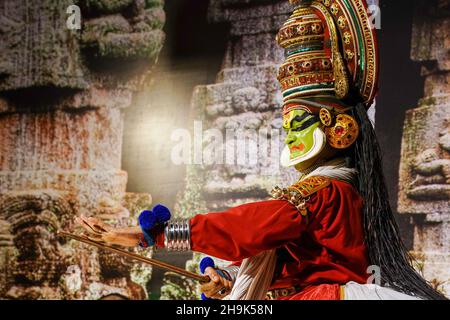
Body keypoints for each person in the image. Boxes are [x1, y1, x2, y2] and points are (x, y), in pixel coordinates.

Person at [77, 0, 447, 300]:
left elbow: (249, 228)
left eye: (298, 123)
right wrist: (225, 276)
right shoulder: (344, 189)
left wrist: (152, 235)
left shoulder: (323, 192)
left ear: (340, 129)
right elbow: (287, 256)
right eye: (286, 126)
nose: (289, 136)